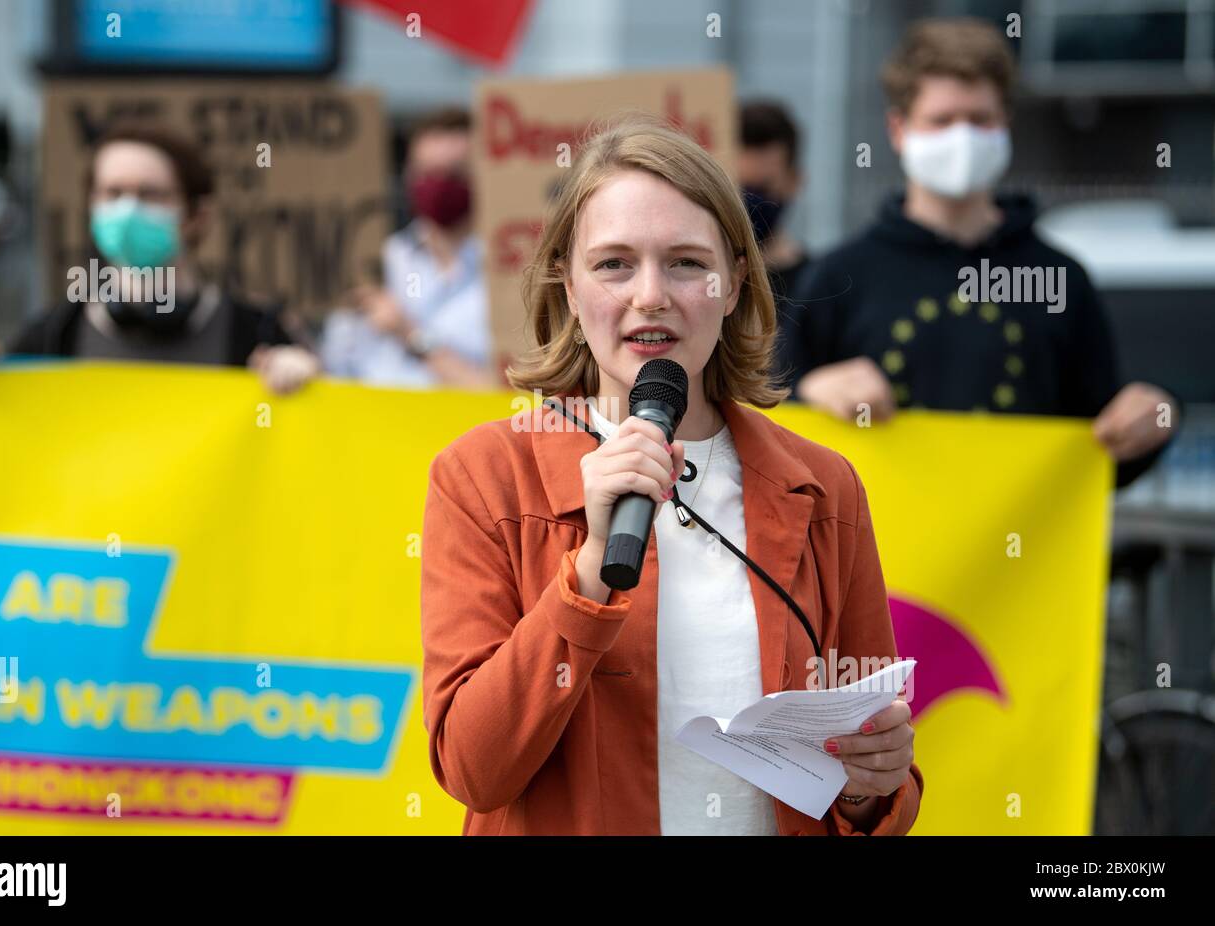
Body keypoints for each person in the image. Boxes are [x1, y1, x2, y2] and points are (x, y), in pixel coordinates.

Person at [419, 114, 922, 836]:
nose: (650, 295)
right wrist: (588, 572)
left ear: (734, 280)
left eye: (686, 263)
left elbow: (878, 779)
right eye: (614, 263)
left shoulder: (823, 486)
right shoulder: (483, 477)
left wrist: (869, 787)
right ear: (566, 277)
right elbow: (474, 768)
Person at [781, 17, 1177, 486]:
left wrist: (1158, 420)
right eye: (942, 120)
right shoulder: (839, 277)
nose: (962, 138)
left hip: (1022, 555)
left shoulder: (1059, 279)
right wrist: (807, 394)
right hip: (881, 556)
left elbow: (1103, 449)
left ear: (1005, 124)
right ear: (898, 128)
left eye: (979, 119)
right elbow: (767, 434)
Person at [0, 122, 319, 394]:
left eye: (151, 195)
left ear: (197, 215)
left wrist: (307, 384)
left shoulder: (257, 336)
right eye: (112, 193)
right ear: (92, 206)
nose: (128, 210)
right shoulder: (53, 336)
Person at [319, 107, 496, 389]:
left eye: (453, 173)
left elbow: (508, 394)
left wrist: (410, 334)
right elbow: (334, 368)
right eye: (427, 173)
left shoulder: (509, 273)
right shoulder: (382, 259)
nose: (437, 185)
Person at [738, 100, 808, 302]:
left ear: (794, 182)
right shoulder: (706, 284)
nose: (749, 201)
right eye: (739, 189)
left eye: (762, 188)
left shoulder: (819, 287)